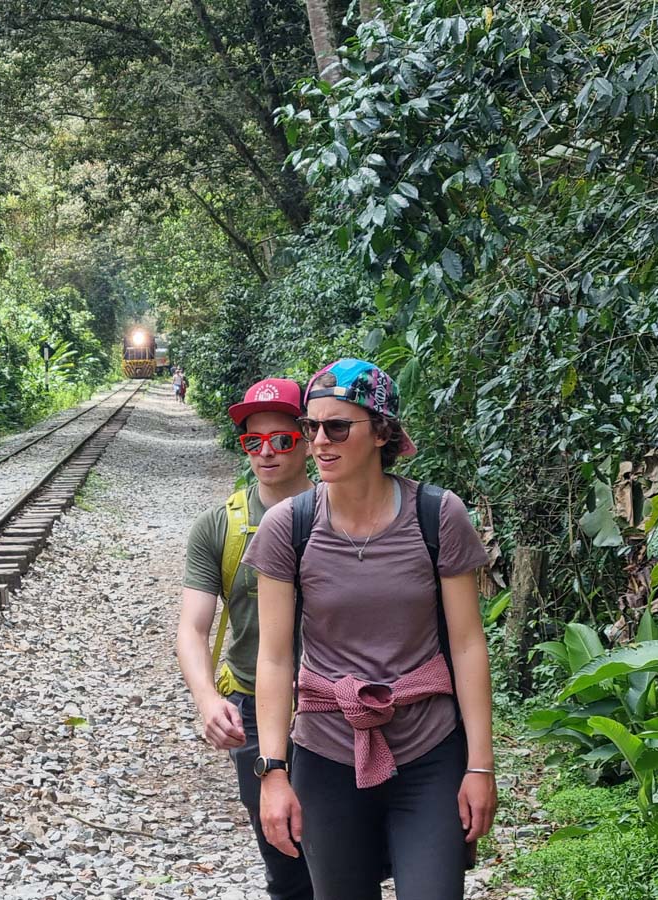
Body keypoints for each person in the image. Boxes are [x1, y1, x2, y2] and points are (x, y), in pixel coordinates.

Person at [243, 358, 496, 900]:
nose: (319, 442)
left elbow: (468, 644)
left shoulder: (437, 515)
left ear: (382, 431)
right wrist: (273, 773)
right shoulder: (290, 526)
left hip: (429, 750)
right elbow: (275, 657)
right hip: (326, 751)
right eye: (311, 428)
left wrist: (480, 765)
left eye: (338, 427)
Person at [177, 378, 315, 900]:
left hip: (337, 707)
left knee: (342, 853)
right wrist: (207, 698)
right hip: (255, 704)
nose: (267, 453)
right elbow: (193, 627)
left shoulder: (344, 513)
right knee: (282, 854)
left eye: (281, 439)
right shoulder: (221, 526)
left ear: (307, 439)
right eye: (253, 442)